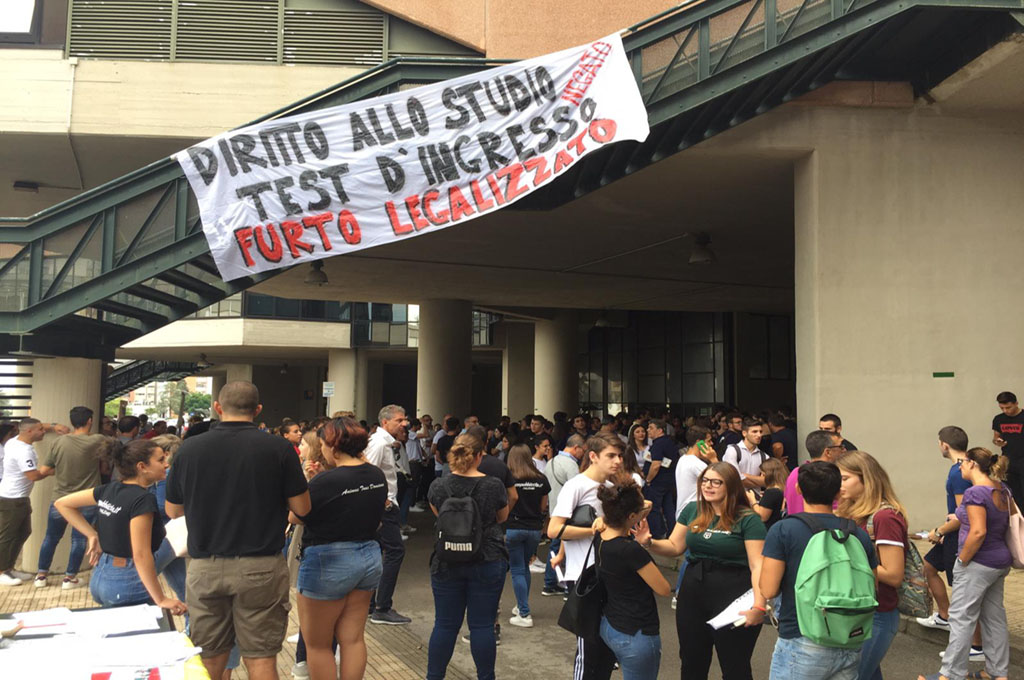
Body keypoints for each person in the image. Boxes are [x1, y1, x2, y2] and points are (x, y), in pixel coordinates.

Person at [165, 381, 310, 680]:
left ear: (217, 408)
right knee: (261, 658)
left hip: (205, 566)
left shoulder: (189, 448)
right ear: (258, 410)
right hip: (262, 566)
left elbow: (173, 510)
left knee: (208, 656)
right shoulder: (279, 448)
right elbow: (303, 508)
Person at [640, 461, 767, 680]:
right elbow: (674, 546)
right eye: (705, 481)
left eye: (716, 482)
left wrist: (759, 605)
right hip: (694, 590)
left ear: (731, 486)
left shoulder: (748, 519)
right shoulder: (693, 510)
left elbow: (758, 566)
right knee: (691, 660)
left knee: (735, 664)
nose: (708, 486)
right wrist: (648, 542)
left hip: (734, 592)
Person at [760, 461, 878, 680]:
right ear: (837, 492)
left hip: (802, 637)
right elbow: (873, 585)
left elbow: (768, 589)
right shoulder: (857, 533)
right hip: (850, 637)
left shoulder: (784, 529)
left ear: (798, 489)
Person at [291, 417, 386, 680]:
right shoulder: (375, 475)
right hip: (368, 555)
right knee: (353, 638)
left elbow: (296, 516)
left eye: (321, 444)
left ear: (333, 446)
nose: (320, 449)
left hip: (327, 559)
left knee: (318, 644)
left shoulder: (326, 481)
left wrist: (311, 484)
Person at [53, 439, 186, 614]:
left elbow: (63, 503)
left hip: (102, 577)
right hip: (126, 582)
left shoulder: (110, 489)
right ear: (142, 466)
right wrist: (160, 598)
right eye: (160, 460)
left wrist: (92, 534)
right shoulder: (142, 499)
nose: (166, 464)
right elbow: (140, 554)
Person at [918, 447, 1012, 680]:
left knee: (961, 618)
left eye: (963, 462)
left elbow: (978, 532)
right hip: (999, 561)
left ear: (972, 464)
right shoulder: (1002, 489)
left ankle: (949, 675)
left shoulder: (975, 493)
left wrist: (962, 560)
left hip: (977, 563)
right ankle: (997, 673)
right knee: (994, 618)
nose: (959, 466)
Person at [426, 433, 509, 680]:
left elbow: (437, 515)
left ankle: (434, 677)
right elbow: (501, 517)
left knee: (444, 625)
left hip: (446, 560)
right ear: (480, 455)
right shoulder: (493, 485)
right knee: (482, 625)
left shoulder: (438, 486)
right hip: (488, 558)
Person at [548, 432, 625, 680]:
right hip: (584, 576)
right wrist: (592, 529)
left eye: (620, 456)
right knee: (589, 648)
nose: (617, 461)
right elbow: (554, 528)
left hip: (609, 572)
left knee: (607, 647)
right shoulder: (576, 485)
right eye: (611, 455)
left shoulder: (612, 488)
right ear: (593, 456)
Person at [835, 450, 907, 680]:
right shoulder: (852, 512)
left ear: (866, 478)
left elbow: (894, 574)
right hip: (857, 609)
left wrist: (849, 562)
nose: (839, 485)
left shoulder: (884, 517)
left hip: (878, 613)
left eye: (845, 478)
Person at [597, 481, 671, 680]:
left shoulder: (599, 537)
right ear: (631, 517)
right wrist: (643, 546)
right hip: (636, 632)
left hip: (610, 624)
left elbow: (645, 505)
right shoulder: (631, 550)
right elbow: (663, 588)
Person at [33, 406, 106, 590]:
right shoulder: (97, 440)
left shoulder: (59, 442)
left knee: (51, 537)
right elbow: (109, 460)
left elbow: (46, 469)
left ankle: (41, 575)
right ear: (90, 421)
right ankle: (69, 578)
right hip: (87, 499)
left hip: (60, 498)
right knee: (80, 539)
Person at [917, 426, 972, 633]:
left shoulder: (959, 472)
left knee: (960, 586)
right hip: (951, 534)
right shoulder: (961, 468)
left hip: (958, 536)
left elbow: (962, 514)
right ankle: (944, 616)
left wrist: (939, 531)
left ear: (944, 445)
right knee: (928, 566)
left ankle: (967, 635)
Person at [363, 404, 412, 625]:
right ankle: (382, 607)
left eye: (405, 419)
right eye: (399, 420)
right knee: (395, 552)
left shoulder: (385, 442)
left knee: (381, 552)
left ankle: (373, 604)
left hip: (384, 505)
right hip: (384, 507)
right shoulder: (379, 444)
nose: (405, 423)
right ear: (385, 422)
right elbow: (367, 471)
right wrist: (380, 501)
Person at [505, 443, 551, 628]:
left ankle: (524, 613)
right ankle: (521, 604)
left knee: (516, 569)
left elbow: (505, 502)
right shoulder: (541, 478)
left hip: (514, 527)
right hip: (534, 529)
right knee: (525, 565)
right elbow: (543, 507)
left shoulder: (510, 479)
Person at [0, 419, 48, 586]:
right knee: (7, 536)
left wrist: (54, 426)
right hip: (13, 499)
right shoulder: (23, 451)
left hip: (18, 497)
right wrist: (50, 470)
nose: (44, 432)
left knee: (23, 532)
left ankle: (9, 568)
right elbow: (33, 475)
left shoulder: (13, 442)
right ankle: (1, 571)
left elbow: (30, 425)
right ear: (29, 432)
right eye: (40, 429)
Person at [541, 433, 584, 598]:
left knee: (555, 546)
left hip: (554, 512)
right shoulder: (571, 466)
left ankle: (550, 583)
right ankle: (568, 587)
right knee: (567, 548)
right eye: (582, 450)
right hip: (568, 514)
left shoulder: (550, 462)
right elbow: (577, 490)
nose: (583, 455)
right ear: (576, 448)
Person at [784, 430, 844, 516]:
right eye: (840, 447)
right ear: (828, 452)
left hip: (795, 525)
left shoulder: (795, 473)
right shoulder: (828, 476)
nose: (843, 450)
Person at [643, 419, 678, 539]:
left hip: (657, 482)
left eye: (651, 428)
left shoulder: (658, 444)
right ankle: (672, 532)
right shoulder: (669, 442)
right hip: (668, 481)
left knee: (653, 508)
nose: (648, 430)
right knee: (669, 507)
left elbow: (656, 465)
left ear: (660, 430)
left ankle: (657, 533)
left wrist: (648, 480)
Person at [991, 391, 1024, 512]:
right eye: (1002, 408)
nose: (1005, 411)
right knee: (1013, 495)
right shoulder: (998, 419)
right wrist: (997, 441)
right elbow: (995, 438)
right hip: (1008, 460)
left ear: (1016, 403)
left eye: (1008, 407)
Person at [722, 418, 768, 489]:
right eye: (754, 431)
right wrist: (758, 481)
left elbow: (768, 481)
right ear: (744, 433)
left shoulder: (764, 456)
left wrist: (742, 475)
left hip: (755, 499)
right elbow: (734, 479)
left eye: (760, 432)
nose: (759, 435)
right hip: (736, 498)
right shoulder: (733, 451)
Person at [749, 457, 788, 529]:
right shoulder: (783, 489)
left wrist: (752, 500)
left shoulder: (771, 492)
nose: (761, 477)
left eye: (763, 474)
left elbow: (762, 517)